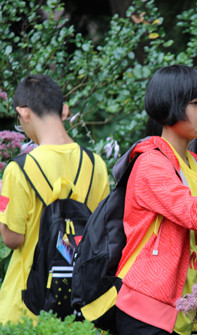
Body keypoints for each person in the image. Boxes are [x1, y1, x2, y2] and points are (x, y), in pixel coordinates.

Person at [113, 64, 197, 335]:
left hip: (186, 313)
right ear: (169, 105)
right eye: (194, 103)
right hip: (147, 311)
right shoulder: (151, 164)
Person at [0, 74, 110, 324]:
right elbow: (100, 231)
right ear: (65, 111)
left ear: (24, 113)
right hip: (80, 307)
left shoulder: (19, 169)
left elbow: (12, 238)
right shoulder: (96, 166)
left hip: (26, 310)